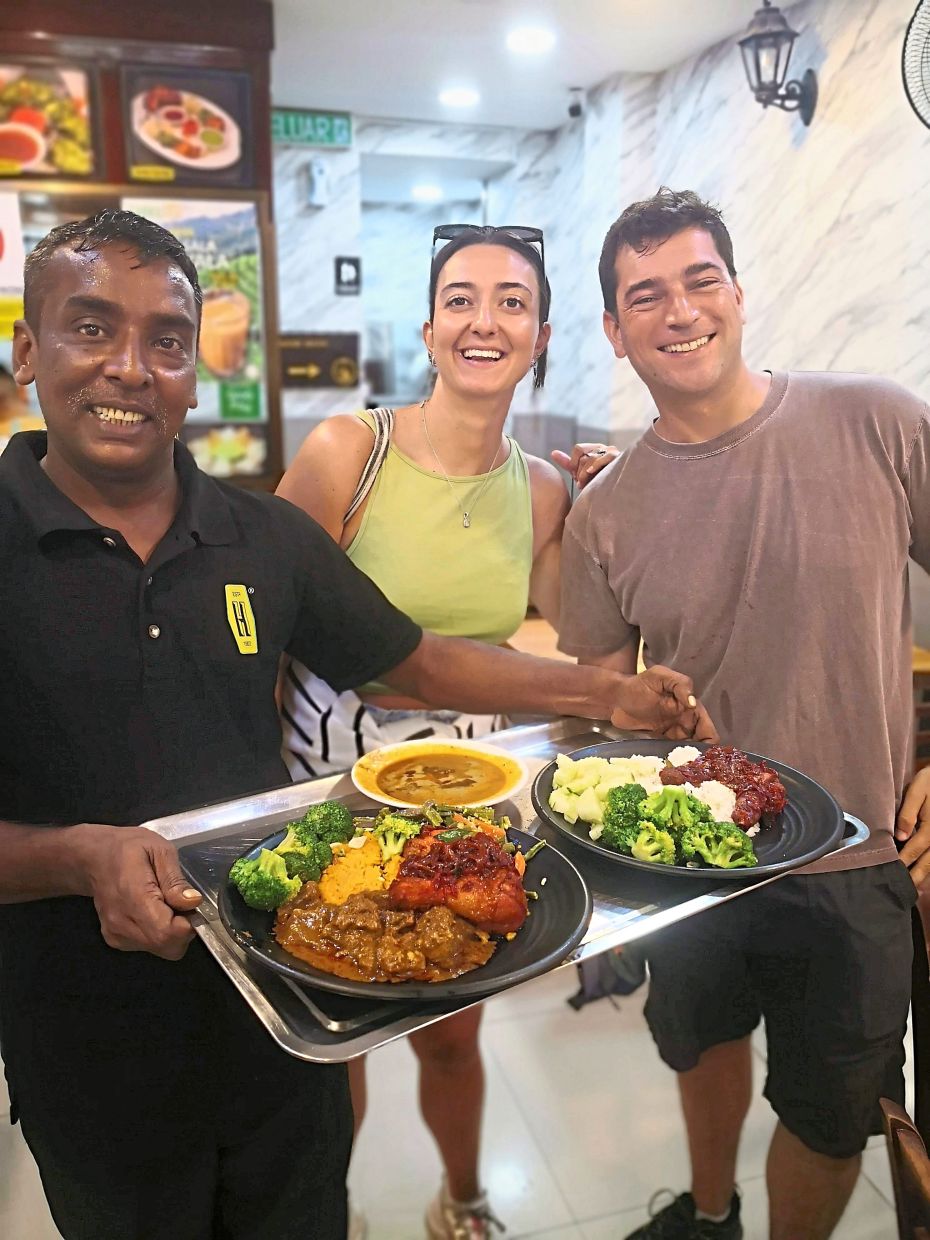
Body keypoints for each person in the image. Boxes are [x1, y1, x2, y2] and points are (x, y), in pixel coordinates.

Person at [0, 209, 713, 1240]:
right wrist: (77, 857)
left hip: (278, 1007)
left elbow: (414, 656)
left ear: (194, 370)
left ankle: (450, 1196)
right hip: (88, 1042)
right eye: (89, 327)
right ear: (27, 350)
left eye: (164, 340)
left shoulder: (262, 537)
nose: (128, 367)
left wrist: (603, 695)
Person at [557, 186, 930, 1240]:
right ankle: (710, 1211)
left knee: (832, 1105)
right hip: (691, 861)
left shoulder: (876, 418)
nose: (678, 311)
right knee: (700, 1041)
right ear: (614, 331)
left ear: (738, 291)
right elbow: (597, 700)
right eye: (646, 295)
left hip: (858, 856)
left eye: (698, 279)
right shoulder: (606, 511)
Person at [277, 223, 623, 1240]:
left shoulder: (548, 490)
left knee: (449, 1023)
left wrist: (617, 506)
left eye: (512, 302)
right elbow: (269, 618)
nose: (486, 319)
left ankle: (463, 1198)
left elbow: (589, 649)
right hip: (333, 771)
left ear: (543, 337)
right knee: (332, 1022)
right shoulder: (353, 448)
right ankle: (322, 1208)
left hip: (468, 788)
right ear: (428, 330)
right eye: (462, 299)